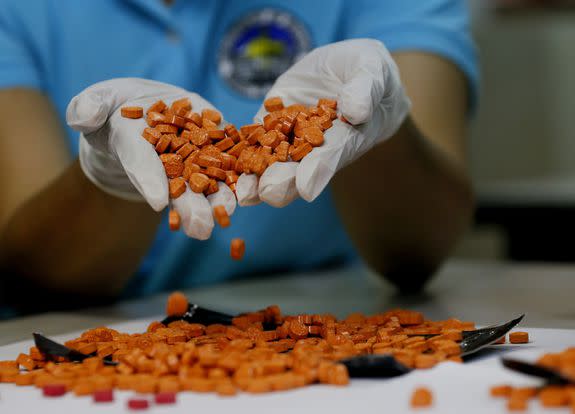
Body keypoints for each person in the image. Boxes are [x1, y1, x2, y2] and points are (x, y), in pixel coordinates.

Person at [0, 0, 477, 316]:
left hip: (325, 326)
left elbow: (423, 249)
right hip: (102, 343)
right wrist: (105, 176)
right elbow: (34, 276)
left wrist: (383, 125)